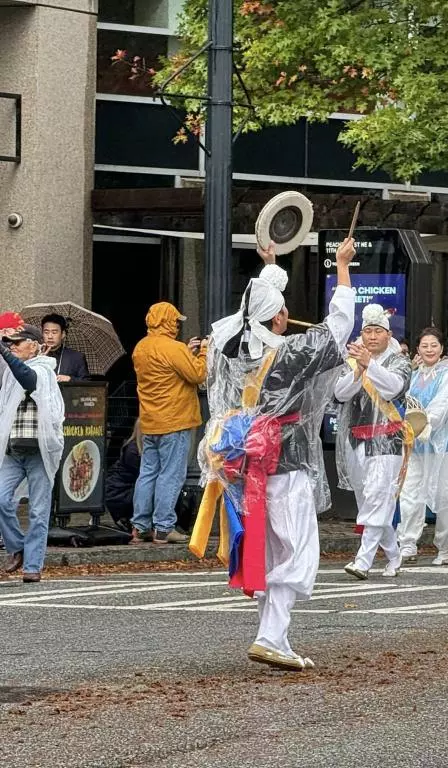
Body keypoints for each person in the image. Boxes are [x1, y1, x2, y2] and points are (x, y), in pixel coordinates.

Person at [190, 237, 357, 670]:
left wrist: (269, 269)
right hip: (286, 465)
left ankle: (272, 635)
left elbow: (241, 318)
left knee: (266, 550)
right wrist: (341, 267)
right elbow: (339, 327)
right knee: (296, 552)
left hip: (245, 467)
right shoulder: (289, 355)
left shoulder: (228, 350)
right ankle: (271, 635)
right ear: (281, 317)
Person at [335, 304, 412, 580]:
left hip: (388, 439)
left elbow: (393, 388)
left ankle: (363, 559)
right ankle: (394, 554)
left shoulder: (400, 360)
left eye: (377, 331)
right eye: (367, 331)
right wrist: (358, 370)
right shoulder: (353, 359)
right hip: (357, 439)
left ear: (388, 334)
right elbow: (340, 394)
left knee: (378, 498)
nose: (372, 336)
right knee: (370, 500)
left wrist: (371, 365)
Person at [130, 302, 206, 544]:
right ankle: (163, 527)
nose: (176, 325)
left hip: (150, 421)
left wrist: (185, 351)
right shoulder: (174, 349)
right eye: (175, 321)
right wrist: (203, 352)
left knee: (148, 474)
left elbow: (165, 369)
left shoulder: (141, 347)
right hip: (175, 420)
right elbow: (198, 374)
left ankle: (139, 526)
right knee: (170, 475)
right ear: (168, 321)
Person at [397, 327, 448, 565]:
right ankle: (407, 544)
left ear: (441, 349)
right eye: (424, 345)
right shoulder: (414, 375)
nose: (429, 350)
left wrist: (425, 423)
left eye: (434, 345)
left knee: (447, 495)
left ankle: (445, 546)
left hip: (445, 445)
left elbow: (442, 406)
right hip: (416, 445)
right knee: (410, 493)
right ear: (418, 349)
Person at [0, 325, 64, 583]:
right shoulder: (10, 373)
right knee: (2, 499)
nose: (13, 346)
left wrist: (4, 352)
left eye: (18, 342)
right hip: (14, 450)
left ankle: (33, 566)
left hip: (39, 451)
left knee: (38, 511)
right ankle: (17, 548)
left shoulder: (43, 370)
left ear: (35, 345)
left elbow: (28, 378)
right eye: (9, 343)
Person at [104, 419, 142, 531]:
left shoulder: (132, 447)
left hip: (118, 490)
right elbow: (140, 474)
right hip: (118, 493)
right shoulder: (133, 450)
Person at [41, 314, 89, 382]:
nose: (50, 336)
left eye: (54, 332)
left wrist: (70, 379)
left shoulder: (77, 357)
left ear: (63, 334)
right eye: (46, 332)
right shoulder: (34, 355)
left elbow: (86, 383)